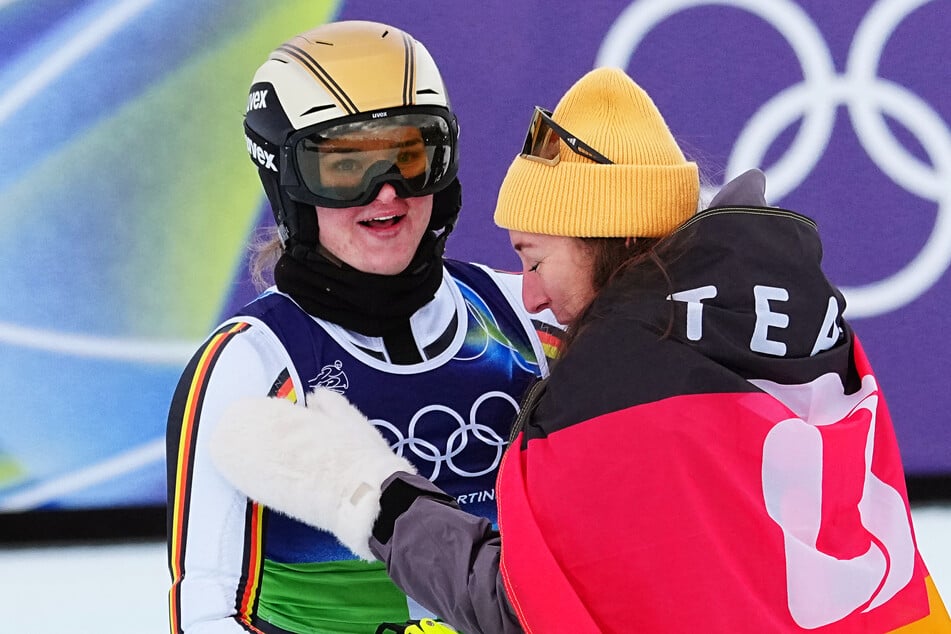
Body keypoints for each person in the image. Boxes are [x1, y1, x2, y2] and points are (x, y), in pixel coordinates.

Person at [207, 67, 951, 633]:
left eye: (533, 258)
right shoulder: (799, 313)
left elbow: (522, 611)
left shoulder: (617, 382)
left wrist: (364, 490)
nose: (527, 297)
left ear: (603, 235)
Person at [165, 20, 560, 634]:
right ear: (289, 185)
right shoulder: (252, 365)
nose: (387, 194)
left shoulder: (526, 320)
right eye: (345, 166)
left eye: (410, 156)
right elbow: (208, 613)